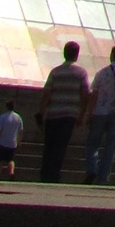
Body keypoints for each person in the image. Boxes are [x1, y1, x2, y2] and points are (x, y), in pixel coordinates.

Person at [36, 42, 89, 183]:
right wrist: (82, 115)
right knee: (60, 146)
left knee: (49, 145)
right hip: (69, 115)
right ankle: (54, 175)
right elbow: (85, 95)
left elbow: (46, 94)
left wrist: (41, 113)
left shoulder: (55, 72)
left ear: (64, 53)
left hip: (53, 115)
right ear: (77, 55)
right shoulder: (81, 73)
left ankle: (45, 174)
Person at [83, 45, 115, 185]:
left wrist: (89, 113)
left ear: (111, 55)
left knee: (93, 143)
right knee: (110, 147)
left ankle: (92, 168)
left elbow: (94, 94)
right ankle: (103, 178)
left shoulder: (102, 73)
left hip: (99, 112)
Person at [0, 96, 23, 179]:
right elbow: (20, 131)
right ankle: (11, 172)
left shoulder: (2, 117)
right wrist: (19, 142)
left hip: (1, 142)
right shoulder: (18, 118)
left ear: (6, 107)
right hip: (12, 143)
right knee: (10, 160)